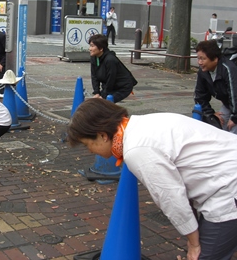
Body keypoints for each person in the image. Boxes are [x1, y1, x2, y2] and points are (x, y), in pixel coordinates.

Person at [67, 98, 237, 260]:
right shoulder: (142, 124)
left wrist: (194, 243)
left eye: (87, 144)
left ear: (102, 135)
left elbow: (172, 198)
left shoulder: (137, 149)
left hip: (227, 189)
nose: (89, 151)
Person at [194, 40, 237, 134]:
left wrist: (234, 118)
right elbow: (199, 96)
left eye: (203, 59)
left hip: (234, 105)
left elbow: (235, 94)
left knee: (232, 131)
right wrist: (210, 113)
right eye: (198, 58)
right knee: (218, 125)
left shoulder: (228, 69)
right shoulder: (203, 72)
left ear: (215, 59)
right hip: (228, 104)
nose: (199, 62)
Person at [89, 34, 137, 102]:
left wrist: (103, 96)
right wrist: (97, 92)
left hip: (122, 87)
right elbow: (94, 76)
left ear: (101, 48)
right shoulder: (94, 57)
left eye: (92, 46)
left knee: (105, 103)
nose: (90, 49)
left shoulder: (110, 60)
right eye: (90, 46)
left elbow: (111, 79)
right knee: (99, 103)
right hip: (109, 86)